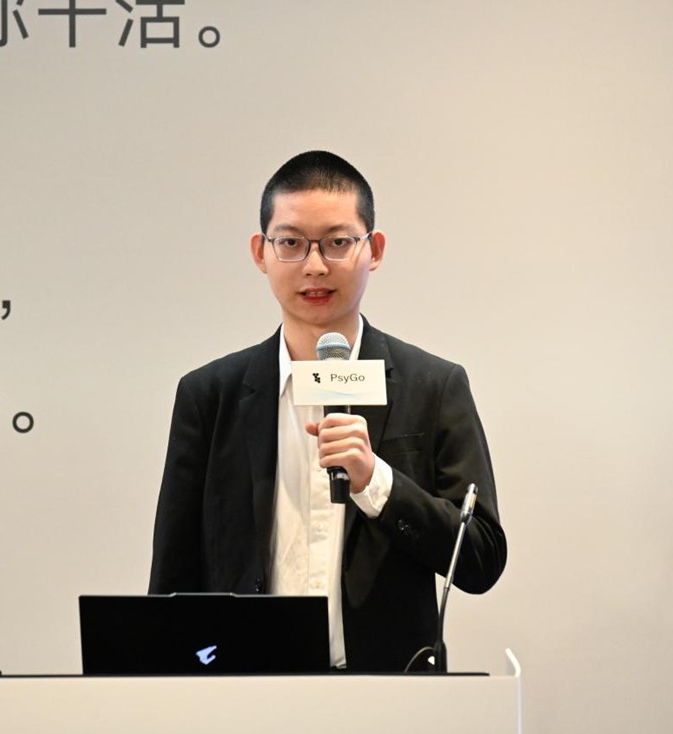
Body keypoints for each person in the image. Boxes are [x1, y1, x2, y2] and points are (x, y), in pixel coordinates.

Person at [148, 151, 506, 672]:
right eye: (291, 243)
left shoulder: (433, 386)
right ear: (261, 252)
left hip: (388, 693)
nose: (315, 266)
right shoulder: (209, 396)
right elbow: (172, 581)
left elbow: (480, 557)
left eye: (338, 243)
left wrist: (377, 482)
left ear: (374, 249)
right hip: (243, 687)